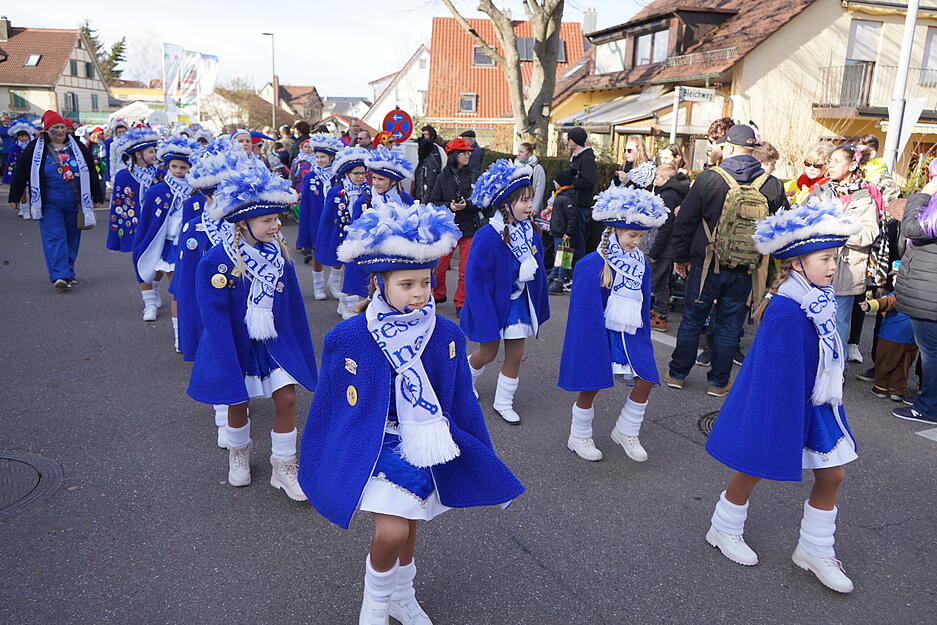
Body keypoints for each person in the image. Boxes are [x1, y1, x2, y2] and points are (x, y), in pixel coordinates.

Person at [298, 200, 524, 625]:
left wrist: (482, 454)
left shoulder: (445, 333)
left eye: (425, 282)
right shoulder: (348, 336)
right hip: (373, 442)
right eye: (407, 284)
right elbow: (329, 405)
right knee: (393, 529)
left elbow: (459, 400)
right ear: (378, 285)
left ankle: (403, 594)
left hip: (424, 440)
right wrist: (317, 455)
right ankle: (375, 604)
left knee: (410, 518)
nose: (419, 294)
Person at [704, 200, 861, 594]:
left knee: (833, 472)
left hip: (817, 401)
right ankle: (723, 527)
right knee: (756, 462)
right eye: (825, 258)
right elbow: (774, 373)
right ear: (796, 262)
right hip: (785, 403)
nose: (832, 266)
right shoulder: (787, 308)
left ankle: (814, 549)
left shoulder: (818, 299)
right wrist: (783, 417)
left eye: (835, 258)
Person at [187, 164, 316, 499]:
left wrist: (299, 347)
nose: (276, 226)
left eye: (278, 219)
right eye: (268, 220)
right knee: (237, 401)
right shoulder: (217, 260)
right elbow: (212, 316)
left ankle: (284, 465)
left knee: (287, 397)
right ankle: (238, 454)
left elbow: (292, 309)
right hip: (236, 344)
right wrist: (223, 358)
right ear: (243, 222)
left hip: (275, 342)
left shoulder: (280, 256)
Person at [666, 124, 788, 396]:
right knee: (729, 324)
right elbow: (782, 228)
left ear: (730, 148)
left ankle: (677, 374)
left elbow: (685, 222)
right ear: (754, 150)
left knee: (693, 318)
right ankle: (718, 383)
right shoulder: (772, 184)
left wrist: (680, 258)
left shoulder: (709, 178)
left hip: (706, 262)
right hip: (746, 267)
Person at [558, 186, 666, 462]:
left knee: (646, 380)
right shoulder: (591, 263)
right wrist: (590, 347)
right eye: (632, 235)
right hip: (600, 335)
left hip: (631, 335)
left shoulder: (641, 263)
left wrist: (645, 340)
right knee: (591, 385)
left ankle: (626, 431)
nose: (637, 242)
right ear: (614, 230)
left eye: (641, 237)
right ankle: (578, 435)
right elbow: (583, 314)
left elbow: (642, 306)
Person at [462, 159, 550, 424]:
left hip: (518, 303)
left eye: (531, 200)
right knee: (487, 353)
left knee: (516, 353)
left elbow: (540, 271)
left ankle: (503, 402)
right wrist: (483, 314)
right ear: (505, 204)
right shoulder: (487, 236)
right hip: (492, 305)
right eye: (523, 201)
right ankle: (465, 380)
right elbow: (476, 281)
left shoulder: (531, 233)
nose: (529, 206)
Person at [173, 137, 244, 448]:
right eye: (215, 194)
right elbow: (186, 280)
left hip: (241, 301)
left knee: (239, 352)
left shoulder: (244, 223)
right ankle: (221, 419)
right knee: (217, 353)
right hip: (210, 304)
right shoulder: (194, 227)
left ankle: (238, 405)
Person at [7, 110, 104, 289]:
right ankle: (60, 274)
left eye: (62, 127)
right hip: (49, 201)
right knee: (55, 236)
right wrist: (15, 196)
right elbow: (21, 171)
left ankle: (68, 270)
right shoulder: (35, 147)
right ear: (46, 130)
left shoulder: (77, 146)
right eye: (55, 128)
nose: (60, 131)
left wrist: (97, 195)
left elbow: (90, 170)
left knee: (72, 237)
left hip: (75, 200)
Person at [809, 145, 881, 352]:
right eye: (830, 161)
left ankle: (835, 372)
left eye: (837, 161)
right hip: (816, 267)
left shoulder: (864, 197)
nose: (830, 165)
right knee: (812, 321)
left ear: (852, 165)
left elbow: (868, 234)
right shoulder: (820, 191)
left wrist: (837, 231)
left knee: (837, 324)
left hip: (847, 270)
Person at [132, 136, 198, 346]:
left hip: (191, 247)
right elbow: (147, 221)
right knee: (178, 290)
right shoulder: (158, 191)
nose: (178, 171)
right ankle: (180, 336)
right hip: (169, 247)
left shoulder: (197, 191)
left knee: (190, 291)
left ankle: (189, 332)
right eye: (174, 166)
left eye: (183, 167)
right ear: (167, 166)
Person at [340, 147, 414, 318]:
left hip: (395, 254)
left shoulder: (406, 200)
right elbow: (355, 230)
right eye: (373, 178)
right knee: (367, 288)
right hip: (370, 251)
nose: (376, 182)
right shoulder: (365, 201)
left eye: (381, 179)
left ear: (393, 181)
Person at [893, 177, 937, 425]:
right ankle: (929, 398)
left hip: (930, 295)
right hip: (928, 293)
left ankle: (929, 407)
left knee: (932, 353)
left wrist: (923, 194)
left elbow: (910, 228)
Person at [429, 138, 482, 312]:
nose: (468, 155)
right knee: (439, 266)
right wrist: (449, 206)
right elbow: (434, 202)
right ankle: (438, 294)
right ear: (454, 155)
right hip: (447, 228)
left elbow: (482, 202)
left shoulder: (475, 176)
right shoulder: (442, 177)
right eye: (463, 152)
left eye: (468, 152)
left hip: (469, 228)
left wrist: (467, 205)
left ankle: (461, 303)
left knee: (466, 270)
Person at [315, 146, 371, 304]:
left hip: (359, 234)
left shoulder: (368, 192)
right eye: (356, 173)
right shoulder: (337, 191)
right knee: (343, 264)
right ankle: (344, 302)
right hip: (340, 232)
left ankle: (346, 303)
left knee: (354, 268)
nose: (360, 177)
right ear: (347, 174)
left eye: (363, 173)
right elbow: (328, 216)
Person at [105, 128, 160, 273]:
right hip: (136, 222)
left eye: (155, 151)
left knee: (160, 259)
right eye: (150, 151)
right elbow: (119, 205)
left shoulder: (161, 174)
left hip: (157, 222)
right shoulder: (123, 176)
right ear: (138, 154)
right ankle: (148, 293)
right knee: (139, 255)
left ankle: (151, 288)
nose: (154, 154)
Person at [296, 133, 343, 299]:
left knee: (339, 251)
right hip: (316, 219)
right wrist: (305, 223)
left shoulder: (339, 177)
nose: (320, 160)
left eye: (323, 157)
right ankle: (318, 286)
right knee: (317, 251)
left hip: (335, 219)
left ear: (331, 157)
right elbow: (307, 203)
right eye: (317, 157)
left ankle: (334, 283)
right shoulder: (311, 176)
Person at [647, 163, 690, 332]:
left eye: (657, 177)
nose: (654, 179)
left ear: (665, 179)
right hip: (669, 247)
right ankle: (660, 315)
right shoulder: (677, 194)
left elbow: (665, 226)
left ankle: (646, 313)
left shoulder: (667, 196)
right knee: (662, 283)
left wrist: (655, 250)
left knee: (651, 281)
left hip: (664, 247)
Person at [860, 289, 918, 402]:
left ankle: (881, 388)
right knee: (903, 365)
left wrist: (869, 305)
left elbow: (885, 302)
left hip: (891, 336)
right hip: (912, 336)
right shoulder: (921, 295)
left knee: (885, 363)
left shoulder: (899, 294)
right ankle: (897, 390)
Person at [566, 127, 597, 262]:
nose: (567, 141)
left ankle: (577, 273)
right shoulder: (576, 158)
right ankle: (565, 271)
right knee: (568, 240)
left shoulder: (587, 158)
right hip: (572, 204)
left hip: (580, 206)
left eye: (569, 138)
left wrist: (570, 181)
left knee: (578, 242)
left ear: (575, 140)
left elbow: (588, 181)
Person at [546, 169, 578, 295]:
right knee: (558, 257)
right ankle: (553, 278)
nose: (554, 182)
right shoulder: (560, 196)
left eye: (556, 180)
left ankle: (558, 281)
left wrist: (568, 232)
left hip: (562, 234)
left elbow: (572, 217)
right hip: (557, 233)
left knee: (562, 258)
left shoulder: (565, 198)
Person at [2, 118, 39, 219]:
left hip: (31, 171)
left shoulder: (33, 146)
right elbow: (11, 162)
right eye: (21, 136)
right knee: (22, 190)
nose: (23, 138)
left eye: (25, 136)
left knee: (33, 190)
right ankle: (24, 209)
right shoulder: (14, 148)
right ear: (17, 137)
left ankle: (33, 209)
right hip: (19, 172)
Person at [856, 134, 900, 204]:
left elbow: (889, 208)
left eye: (861, 152)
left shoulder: (884, 181)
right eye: (855, 151)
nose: (856, 155)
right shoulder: (854, 173)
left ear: (872, 154)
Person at [412, 124, 446, 204]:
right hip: (421, 180)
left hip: (431, 180)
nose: (424, 137)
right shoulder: (421, 147)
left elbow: (443, 165)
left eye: (426, 134)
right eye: (423, 134)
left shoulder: (437, 149)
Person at [515, 142, 546, 214]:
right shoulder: (515, 167)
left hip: (531, 206)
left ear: (529, 154)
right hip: (518, 205)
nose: (518, 154)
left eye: (521, 152)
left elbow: (539, 189)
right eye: (518, 151)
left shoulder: (537, 168)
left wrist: (535, 208)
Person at [105, 118, 130, 183]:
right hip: (119, 171)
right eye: (119, 132)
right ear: (116, 133)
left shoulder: (132, 142)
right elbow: (112, 160)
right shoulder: (113, 145)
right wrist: (112, 176)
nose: (121, 133)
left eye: (123, 131)